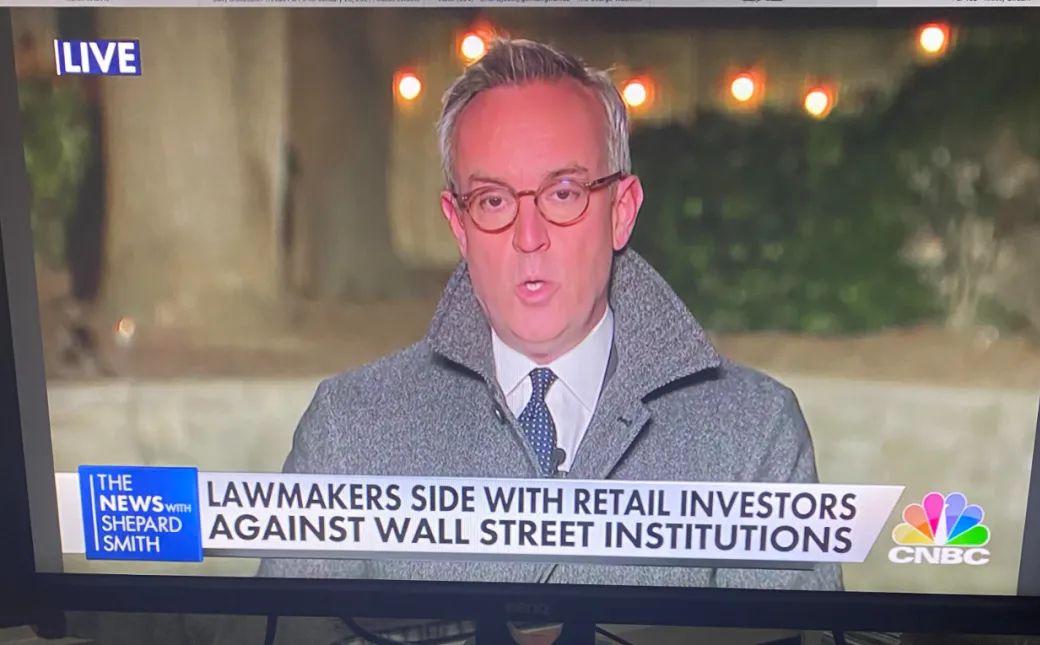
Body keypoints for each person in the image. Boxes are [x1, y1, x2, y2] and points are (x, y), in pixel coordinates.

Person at [259, 38, 842, 591]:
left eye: (563, 193)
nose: (529, 237)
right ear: (459, 225)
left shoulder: (754, 432)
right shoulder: (350, 428)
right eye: (493, 201)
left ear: (621, 211)